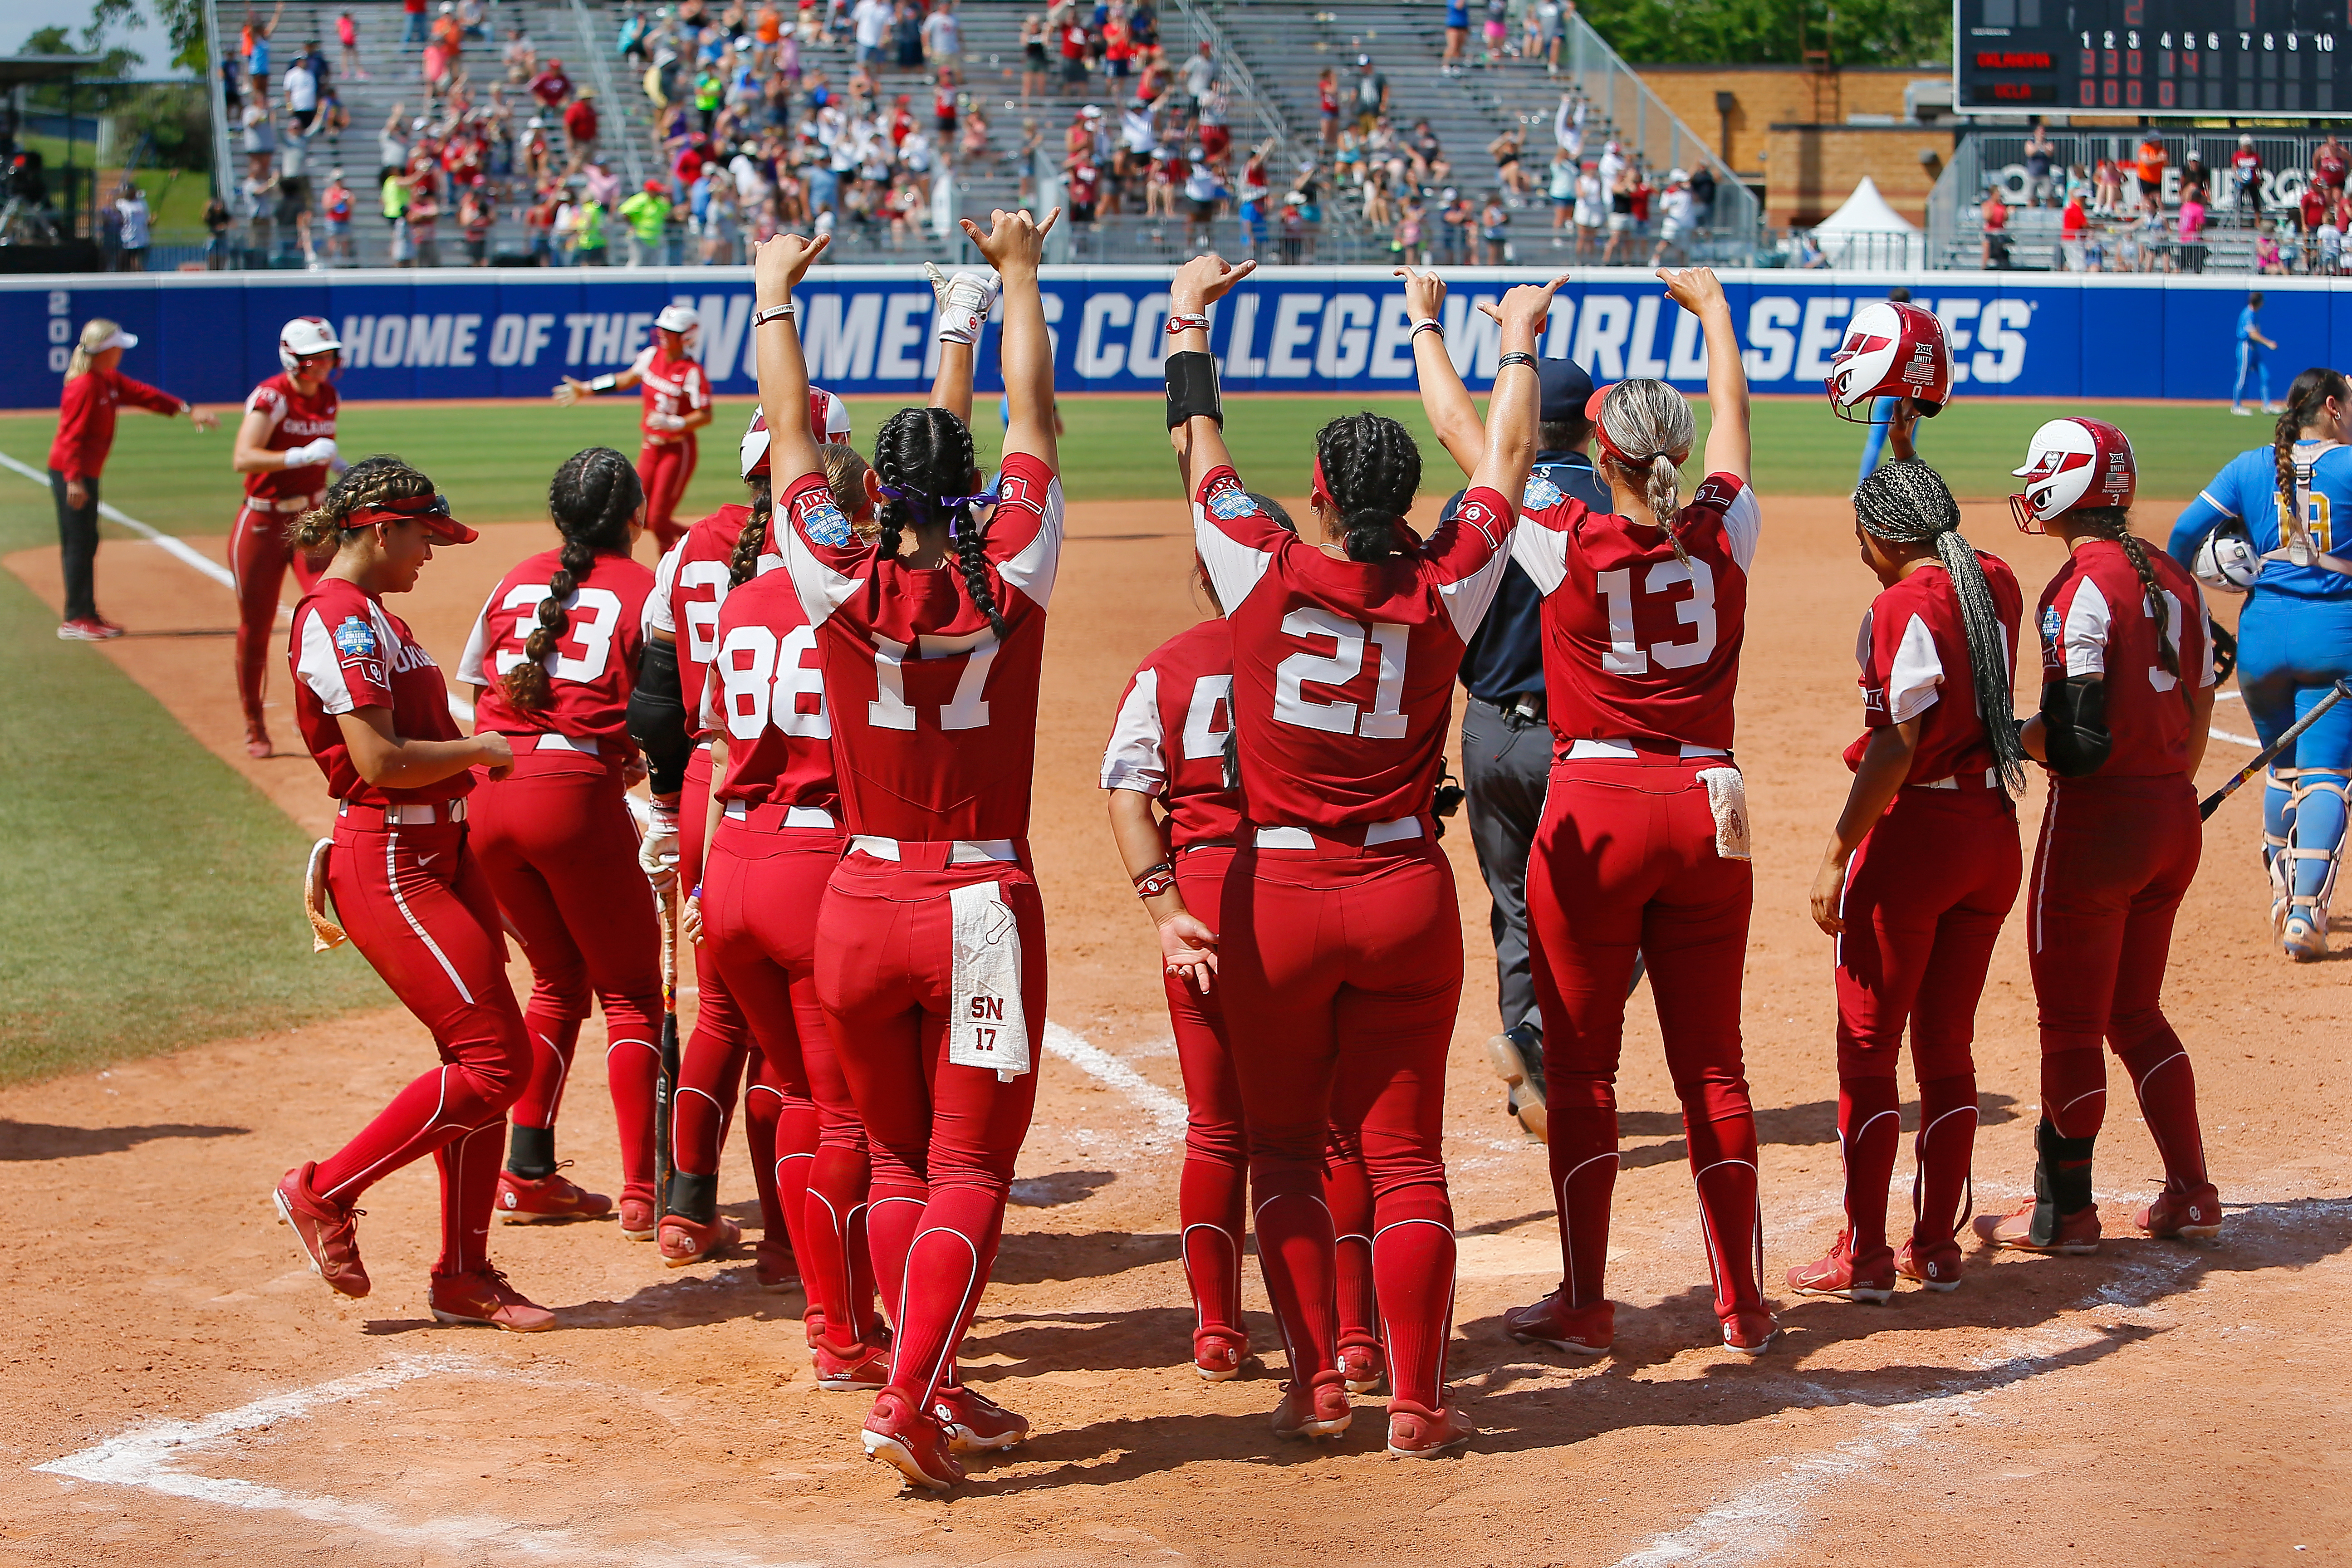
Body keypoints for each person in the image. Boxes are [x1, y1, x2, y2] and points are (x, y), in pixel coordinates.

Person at [1173, 257, 1557, 1457]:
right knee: (1406, 1160)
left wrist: (1192, 317)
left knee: (1285, 1150)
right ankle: (1422, 1403)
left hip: (1276, 890)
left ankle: (1316, 1384)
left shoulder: (1264, 565)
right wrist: (1514, 343)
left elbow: (1200, 447)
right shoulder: (1449, 581)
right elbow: (1504, 467)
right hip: (1401, 886)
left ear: (1324, 497)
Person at [751, 207, 1063, 1490]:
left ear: (876, 492)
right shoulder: (1016, 568)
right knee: (973, 1167)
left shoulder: (831, 567)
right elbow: (1036, 422)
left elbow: (783, 440)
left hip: (858, 899)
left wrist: (774, 291)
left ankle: (925, 1372)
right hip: (981, 897)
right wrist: (1019, 273)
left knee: (890, 1158)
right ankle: (907, 1392)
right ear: (974, 487)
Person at [1431, 269, 1774, 1358]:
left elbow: (1482, 447)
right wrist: (1716, 315)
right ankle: (1745, 1302)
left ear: (1604, 452)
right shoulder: (1724, 529)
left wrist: (1514, 338)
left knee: (1583, 1069)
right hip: (1709, 800)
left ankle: (1584, 1297)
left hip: (1598, 802)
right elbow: (1733, 422)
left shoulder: (1563, 535)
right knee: (1712, 1066)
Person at [271, 461, 556, 1333]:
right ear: (379, 529)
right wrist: (481, 747)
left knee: (487, 1060)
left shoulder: (372, 618)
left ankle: (464, 1274)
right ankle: (323, 1191)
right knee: (496, 1063)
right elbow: (380, 764)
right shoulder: (338, 621)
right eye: (424, 537)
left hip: (440, 848)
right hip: (393, 858)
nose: (432, 554)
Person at [1785, 404, 2025, 1301]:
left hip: (1918, 841)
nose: (1855, 548)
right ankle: (1937, 1246)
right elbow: (1941, 536)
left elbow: (1897, 744)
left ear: (1884, 540)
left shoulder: (1899, 605)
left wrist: (1836, 850)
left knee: (1868, 1050)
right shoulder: (1990, 578)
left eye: (1861, 534)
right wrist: (1905, 456)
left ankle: (1867, 1255)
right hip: (1991, 837)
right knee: (1949, 1048)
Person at [627, 388, 856, 1287]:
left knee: (716, 1014)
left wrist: (659, 801)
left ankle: (682, 1205)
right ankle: (791, 1237)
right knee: (795, 1054)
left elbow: (654, 703)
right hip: (804, 823)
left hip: (711, 797)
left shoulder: (691, 547)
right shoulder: (841, 578)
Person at [1976, 417, 2221, 1255]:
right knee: (2135, 1012)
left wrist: (2001, 734)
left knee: (2070, 1022)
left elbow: (2075, 739)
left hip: (2095, 826)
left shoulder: (2079, 585)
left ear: (2064, 489)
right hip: (2167, 817)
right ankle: (2189, 1191)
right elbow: (2193, 712)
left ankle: (2063, 1210)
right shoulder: (2171, 575)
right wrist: (2167, 790)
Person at [451, 447, 664, 1235]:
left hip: (488, 797)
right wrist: (630, 758)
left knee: (556, 979)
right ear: (634, 517)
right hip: (570, 800)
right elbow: (665, 706)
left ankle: (528, 1170)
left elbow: (480, 691)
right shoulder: (646, 586)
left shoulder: (514, 577)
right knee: (634, 995)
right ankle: (648, 1192)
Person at [1416, 357, 1611, 1139]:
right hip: (1585, 740)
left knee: (1514, 910)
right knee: (1617, 913)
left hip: (1489, 732)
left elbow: (1433, 619)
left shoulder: (1476, 500)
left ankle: (1527, 1060)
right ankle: (1547, 1045)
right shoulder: (1612, 499)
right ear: (1589, 426)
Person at [2169, 368, 2352, 962]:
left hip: (2263, 637)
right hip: (2333, 637)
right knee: (2327, 773)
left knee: (2282, 765)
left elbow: (2182, 538)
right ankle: (2305, 915)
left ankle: (2281, 891)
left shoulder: (2250, 465)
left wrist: (2186, 608)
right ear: (2333, 408)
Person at [45, 321, 218, 641]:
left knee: (87, 541)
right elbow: (70, 435)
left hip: (85, 473)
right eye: (118, 346)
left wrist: (186, 408)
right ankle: (76, 618)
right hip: (73, 474)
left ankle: (86, 611)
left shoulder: (106, 379)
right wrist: (73, 480)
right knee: (78, 543)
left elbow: (143, 394)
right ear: (105, 350)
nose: (123, 351)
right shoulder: (84, 385)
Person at [233, 317, 345, 758]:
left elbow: (324, 453)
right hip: (262, 521)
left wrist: (339, 467)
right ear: (293, 360)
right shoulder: (271, 396)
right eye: (316, 358)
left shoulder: (329, 395)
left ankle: (329, 717)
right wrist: (298, 454)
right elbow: (244, 457)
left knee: (333, 613)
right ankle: (254, 722)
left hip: (312, 519)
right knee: (256, 627)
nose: (325, 365)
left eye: (328, 356)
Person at [553, 304, 713, 552]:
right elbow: (626, 378)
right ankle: (702, 544)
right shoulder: (651, 356)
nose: (662, 334)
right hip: (650, 446)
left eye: (670, 331)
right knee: (638, 511)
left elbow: (705, 415)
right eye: (662, 329)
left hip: (676, 449)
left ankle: (694, 554)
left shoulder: (691, 372)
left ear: (687, 337)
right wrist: (587, 389)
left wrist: (676, 423)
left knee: (658, 518)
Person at [2234, 292, 2278, 416]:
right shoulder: (2248, 314)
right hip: (2245, 348)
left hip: (2254, 348)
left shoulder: (2254, 314)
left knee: (2266, 376)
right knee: (2242, 378)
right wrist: (2269, 344)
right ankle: (2237, 406)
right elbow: (2253, 334)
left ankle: (2267, 405)